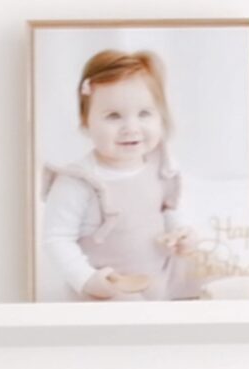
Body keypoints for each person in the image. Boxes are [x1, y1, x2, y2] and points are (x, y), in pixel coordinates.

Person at [39, 49, 197, 301]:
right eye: (113, 116)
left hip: (162, 277)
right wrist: (87, 280)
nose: (131, 128)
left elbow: (170, 206)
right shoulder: (78, 181)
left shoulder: (161, 163)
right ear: (86, 121)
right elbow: (57, 239)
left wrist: (181, 231)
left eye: (144, 113)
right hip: (109, 288)